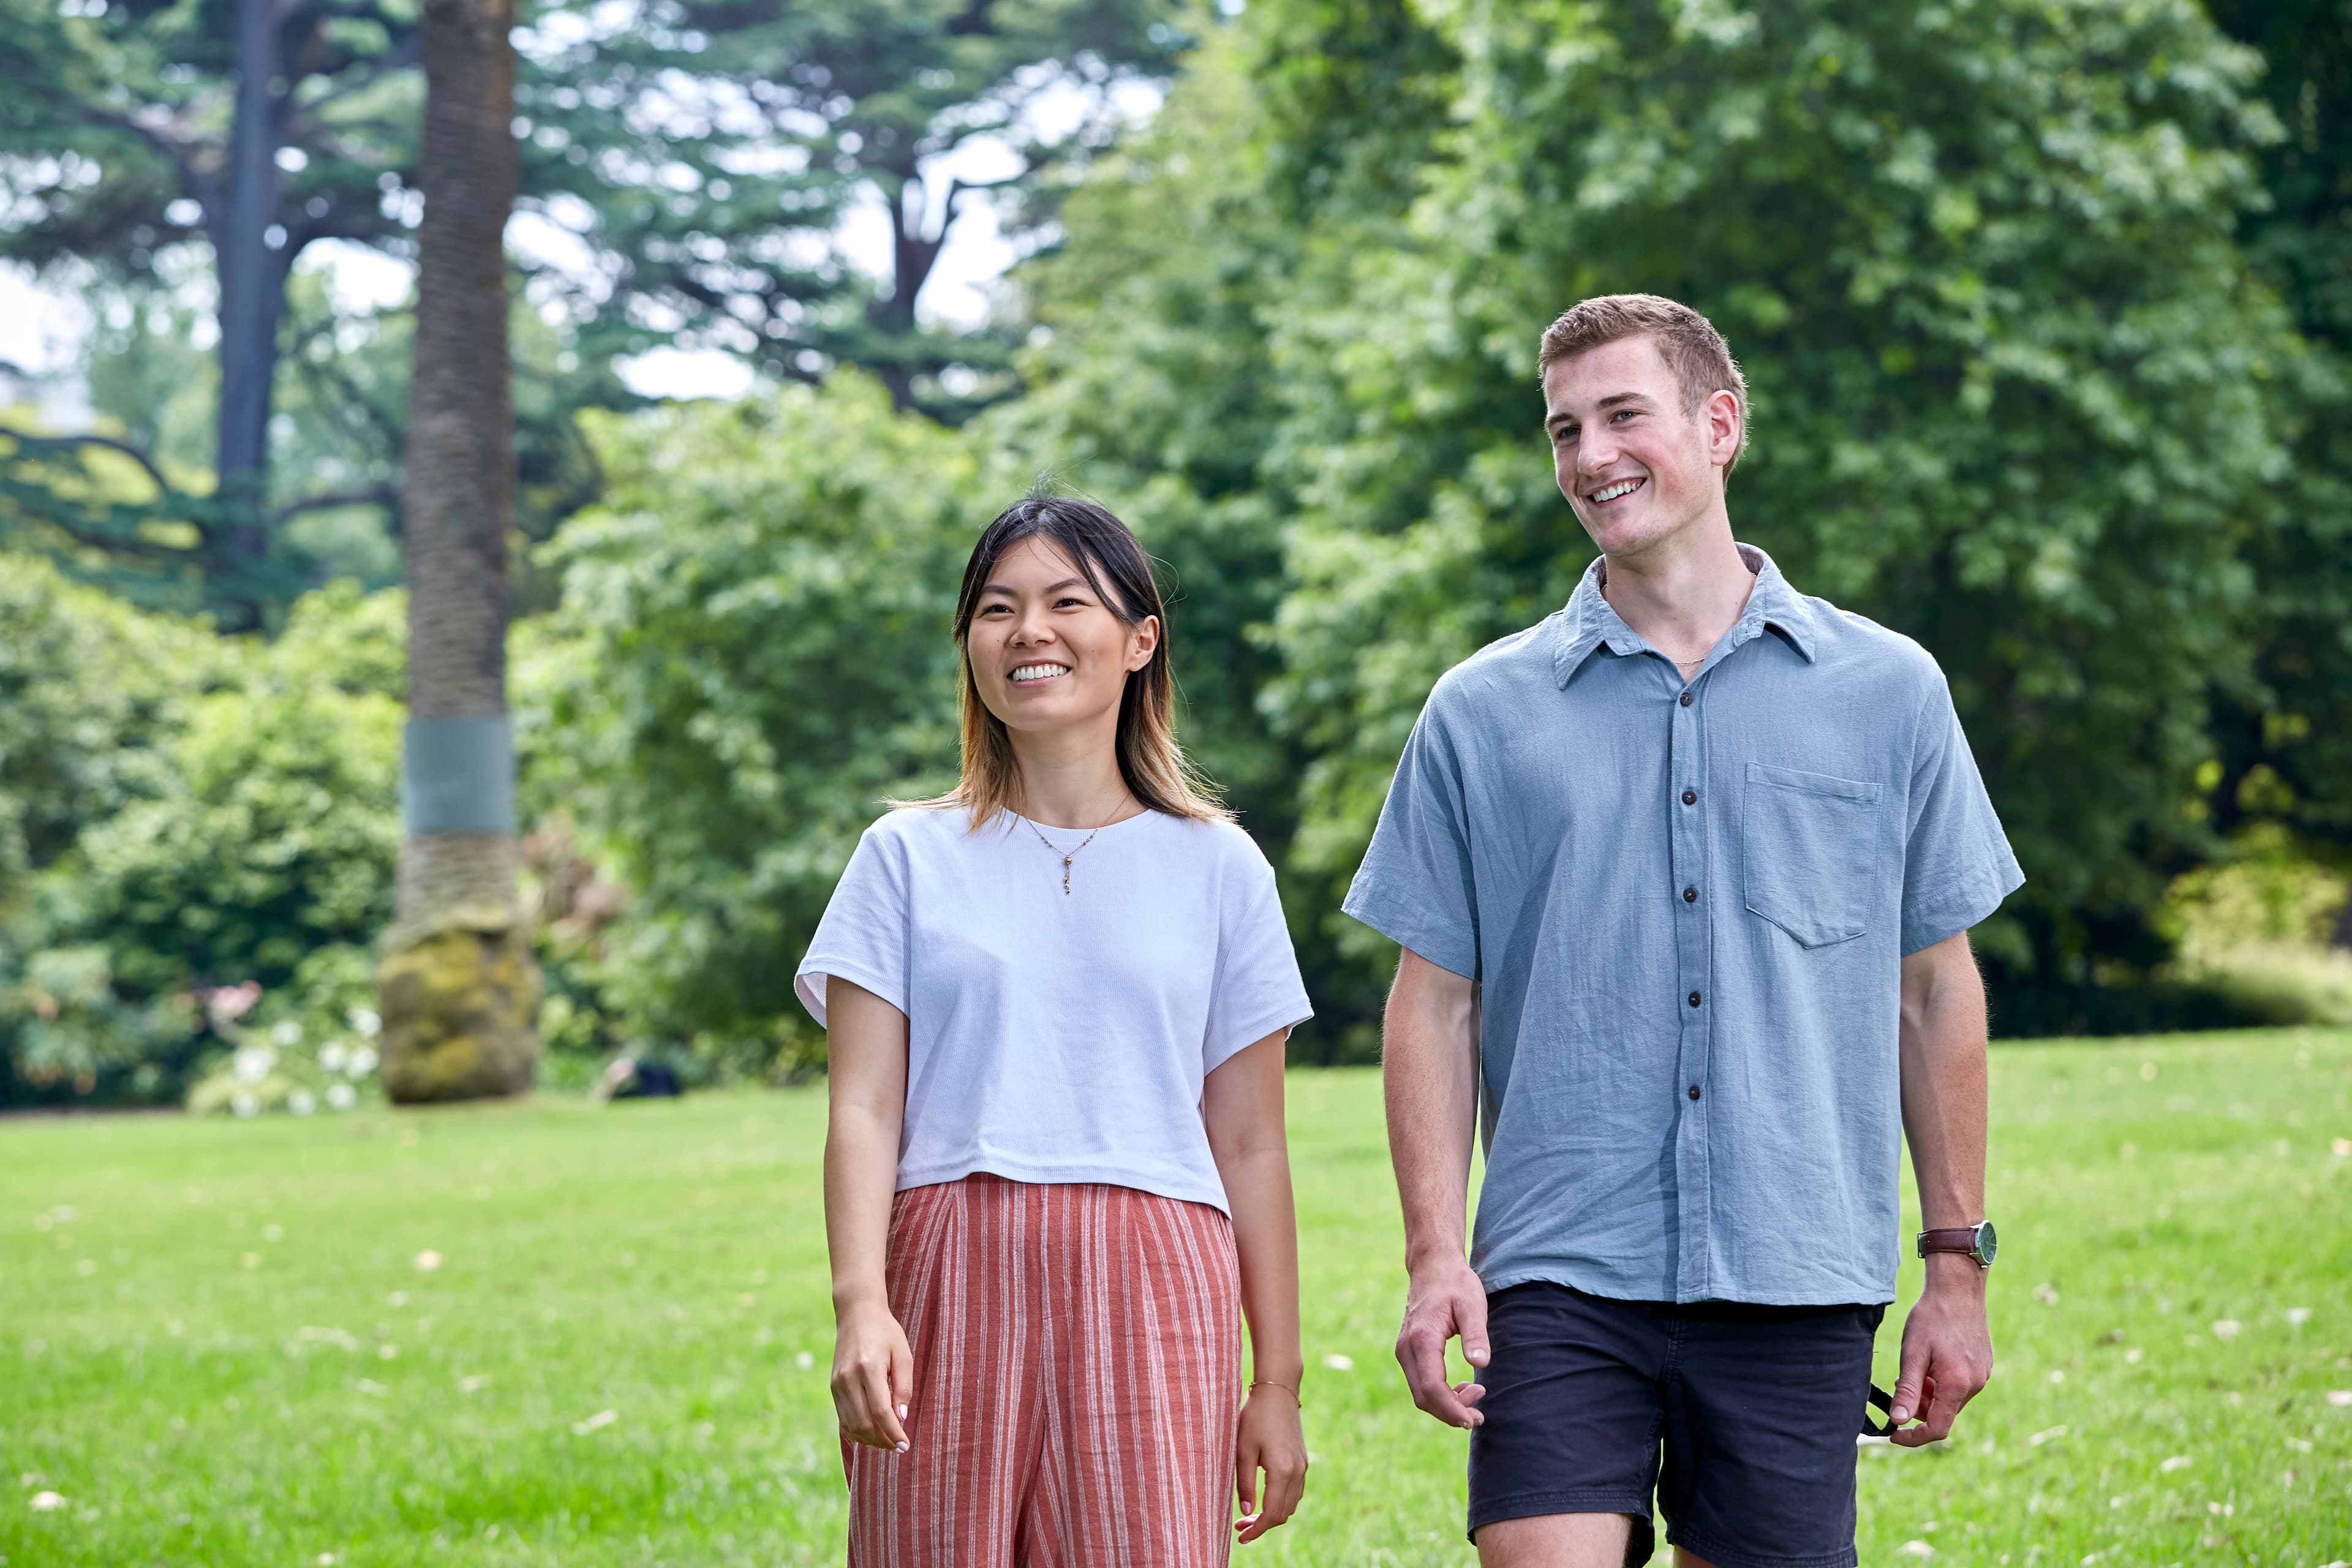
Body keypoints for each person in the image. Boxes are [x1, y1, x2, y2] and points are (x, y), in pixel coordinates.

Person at [1344, 294, 2023, 1568]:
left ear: (1719, 425)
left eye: (1620, 415)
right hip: (1558, 1268)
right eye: (1562, 429)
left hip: (1798, 1264)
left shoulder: (1889, 691)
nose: (1589, 454)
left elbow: (1933, 990)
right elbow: (1433, 999)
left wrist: (1957, 1268)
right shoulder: (1480, 711)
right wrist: (1437, 1254)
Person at [799, 496, 1314, 1566]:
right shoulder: (903, 856)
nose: (1028, 631)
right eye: (997, 609)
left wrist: (1277, 1383)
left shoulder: (1221, 868)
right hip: (948, 1262)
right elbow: (861, 1105)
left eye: (1065, 602)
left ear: (1139, 642)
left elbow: (1253, 1145)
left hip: (1157, 1271)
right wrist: (862, 1305)